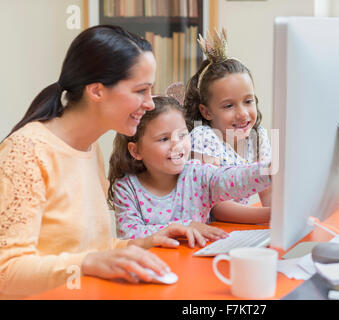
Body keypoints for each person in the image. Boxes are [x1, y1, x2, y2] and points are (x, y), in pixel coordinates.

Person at [0, 25, 205, 299]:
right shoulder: (26, 152)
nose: (150, 104)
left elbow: (91, 248)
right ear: (96, 91)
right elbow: (7, 272)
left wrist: (147, 242)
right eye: (140, 91)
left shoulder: (89, 147)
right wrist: (86, 264)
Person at [108, 95, 272, 241]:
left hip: (195, 264)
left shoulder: (197, 174)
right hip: (153, 269)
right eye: (164, 139)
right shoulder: (127, 187)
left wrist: (270, 171)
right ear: (136, 151)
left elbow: (233, 179)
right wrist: (185, 226)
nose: (177, 144)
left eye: (182, 135)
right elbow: (129, 236)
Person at [184, 29, 272, 224]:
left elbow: (268, 188)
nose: (242, 113)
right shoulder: (203, 137)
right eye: (229, 105)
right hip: (209, 230)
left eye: (248, 101)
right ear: (206, 112)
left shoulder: (258, 136)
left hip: (237, 229)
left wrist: (279, 217)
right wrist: (271, 216)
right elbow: (217, 208)